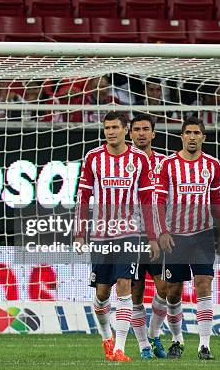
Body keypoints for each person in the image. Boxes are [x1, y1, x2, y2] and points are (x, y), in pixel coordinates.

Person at [74, 111, 160, 362]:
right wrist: (79, 233)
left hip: (130, 233)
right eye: (107, 128)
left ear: (126, 130)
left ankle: (120, 349)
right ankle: (106, 338)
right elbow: (83, 198)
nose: (110, 131)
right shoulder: (93, 158)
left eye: (115, 127)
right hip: (101, 234)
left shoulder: (139, 159)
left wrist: (152, 237)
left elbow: (147, 201)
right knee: (102, 293)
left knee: (125, 286)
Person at [155, 117, 220, 360]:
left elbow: (217, 201)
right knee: (172, 292)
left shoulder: (213, 165)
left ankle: (204, 345)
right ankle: (177, 340)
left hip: (203, 235)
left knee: (204, 285)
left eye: (197, 132)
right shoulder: (168, 165)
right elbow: (160, 201)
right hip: (175, 236)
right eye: (188, 132)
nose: (192, 136)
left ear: (203, 137)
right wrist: (163, 231)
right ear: (183, 136)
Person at [128, 114, 168, 360]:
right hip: (131, 234)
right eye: (136, 129)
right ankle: (144, 346)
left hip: (159, 235)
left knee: (164, 287)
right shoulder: (123, 162)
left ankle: (154, 333)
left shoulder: (165, 163)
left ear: (153, 134)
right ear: (130, 133)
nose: (141, 133)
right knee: (135, 291)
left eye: (146, 129)